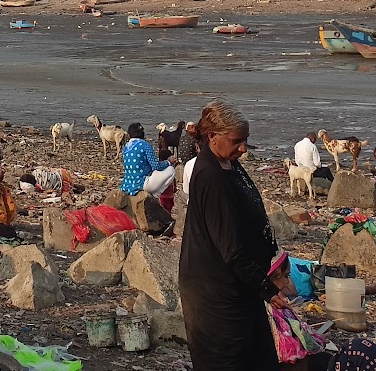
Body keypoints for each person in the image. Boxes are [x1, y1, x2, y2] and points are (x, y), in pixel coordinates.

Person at [178, 99, 282, 371]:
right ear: (213, 137)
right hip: (216, 295)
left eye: (245, 140)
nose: (243, 148)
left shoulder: (227, 163)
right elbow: (231, 249)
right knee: (229, 361)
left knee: (260, 357)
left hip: (240, 286)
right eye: (237, 141)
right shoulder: (212, 177)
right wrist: (268, 290)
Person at [120, 123, 176, 196]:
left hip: (128, 183)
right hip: (143, 183)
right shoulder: (145, 145)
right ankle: (156, 194)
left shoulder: (126, 147)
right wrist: (168, 162)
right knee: (171, 170)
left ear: (129, 134)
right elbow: (156, 166)